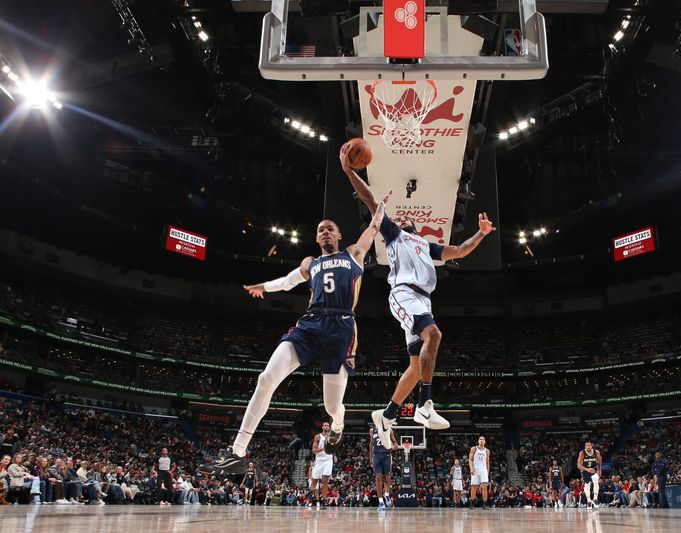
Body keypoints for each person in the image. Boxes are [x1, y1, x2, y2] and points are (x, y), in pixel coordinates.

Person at [199, 199, 388, 476]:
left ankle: (338, 425)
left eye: (330, 229)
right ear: (316, 237)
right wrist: (264, 286)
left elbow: (374, 225)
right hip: (310, 324)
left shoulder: (353, 254)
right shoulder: (310, 263)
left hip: (341, 326)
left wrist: (379, 205)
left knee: (331, 406)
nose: (325, 232)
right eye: (321, 229)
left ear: (338, 235)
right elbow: (288, 280)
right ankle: (237, 452)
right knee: (266, 379)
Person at [340, 146, 496, 443]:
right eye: (400, 218)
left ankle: (386, 415)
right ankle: (423, 405)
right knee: (434, 335)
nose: (404, 218)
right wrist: (350, 171)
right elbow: (371, 201)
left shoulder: (428, 246)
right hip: (403, 294)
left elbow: (461, 250)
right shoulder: (395, 234)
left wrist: (482, 234)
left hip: (422, 299)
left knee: (415, 366)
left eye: (406, 219)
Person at [369, 423, 397, 510]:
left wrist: (395, 446)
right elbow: (371, 444)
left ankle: (387, 494)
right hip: (377, 455)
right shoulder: (372, 431)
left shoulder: (389, 430)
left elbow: (395, 443)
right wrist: (370, 457)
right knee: (378, 477)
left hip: (387, 456)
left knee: (386, 477)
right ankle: (381, 502)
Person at [311, 422, 334, 507]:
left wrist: (334, 455)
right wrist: (324, 448)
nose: (326, 426)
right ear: (322, 427)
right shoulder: (317, 436)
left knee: (325, 478)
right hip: (319, 459)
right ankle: (312, 496)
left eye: (328, 425)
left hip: (328, 459)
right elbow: (314, 450)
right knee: (314, 480)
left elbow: (333, 448)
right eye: (325, 425)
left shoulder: (332, 437)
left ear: (329, 427)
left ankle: (324, 500)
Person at [577, 441, 603, 509]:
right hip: (585, 470)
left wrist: (599, 470)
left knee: (595, 479)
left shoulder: (596, 452)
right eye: (587, 446)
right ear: (585, 447)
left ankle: (595, 499)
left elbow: (600, 460)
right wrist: (587, 469)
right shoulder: (582, 453)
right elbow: (579, 465)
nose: (588, 447)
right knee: (587, 485)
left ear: (591, 446)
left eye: (589, 445)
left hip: (594, 469)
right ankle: (589, 501)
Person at [469, 436, 491, 510]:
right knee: (473, 487)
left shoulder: (487, 451)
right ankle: (472, 504)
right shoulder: (474, 449)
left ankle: (484, 504)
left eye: (483, 439)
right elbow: (470, 460)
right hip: (475, 469)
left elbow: (487, 462)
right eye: (480, 439)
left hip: (483, 470)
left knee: (484, 486)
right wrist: (471, 468)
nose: (482, 440)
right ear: (478, 441)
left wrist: (487, 471)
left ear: (485, 442)